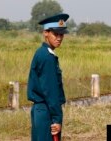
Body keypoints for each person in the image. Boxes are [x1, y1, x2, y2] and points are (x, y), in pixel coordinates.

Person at [27, 13, 69, 141]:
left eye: (61, 34)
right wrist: (56, 119)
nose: (59, 38)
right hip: (46, 111)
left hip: (41, 110)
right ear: (46, 33)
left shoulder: (43, 53)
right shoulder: (47, 57)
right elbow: (50, 91)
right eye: (55, 34)